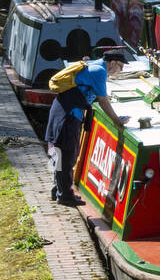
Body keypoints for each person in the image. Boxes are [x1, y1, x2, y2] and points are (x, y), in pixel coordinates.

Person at [44, 50, 129, 207]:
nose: (122, 70)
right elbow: (103, 100)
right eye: (121, 66)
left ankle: (58, 190)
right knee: (67, 155)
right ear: (113, 63)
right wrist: (117, 120)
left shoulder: (93, 65)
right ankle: (65, 196)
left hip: (63, 109)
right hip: (68, 114)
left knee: (62, 154)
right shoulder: (99, 71)